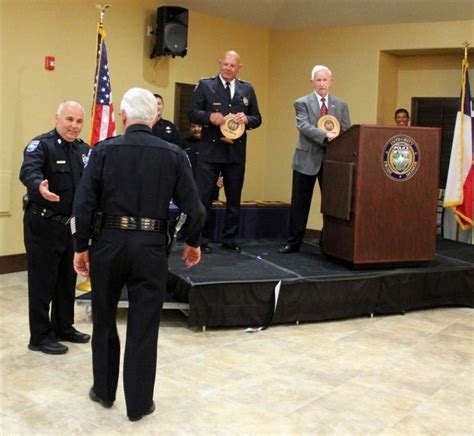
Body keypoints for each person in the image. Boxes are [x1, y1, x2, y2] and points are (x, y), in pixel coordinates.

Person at [72, 87, 205, 422]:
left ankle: (103, 391)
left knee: (104, 318)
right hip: (150, 247)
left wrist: (81, 246)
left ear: (123, 116)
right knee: (144, 325)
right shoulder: (174, 154)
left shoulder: (102, 151)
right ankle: (139, 404)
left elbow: (83, 203)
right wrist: (192, 241)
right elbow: (197, 210)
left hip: (108, 245)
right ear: (155, 117)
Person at [19, 100, 91, 355]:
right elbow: (29, 171)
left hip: (70, 226)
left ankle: (63, 326)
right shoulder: (42, 145)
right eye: (69, 119)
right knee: (42, 281)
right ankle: (39, 336)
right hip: (43, 223)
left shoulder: (84, 150)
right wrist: (39, 186)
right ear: (57, 118)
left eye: (79, 121)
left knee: (66, 279)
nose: (74, 125)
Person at [188, 50, 262, 253]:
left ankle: (229, 239)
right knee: (204, 197)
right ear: (220, 63)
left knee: (234, 198)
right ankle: (200, 240)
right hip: (211, 151)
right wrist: (210, 117)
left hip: (235, 153)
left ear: (239, 68)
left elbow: (257, 118)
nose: (228, 68)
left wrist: (247, 120)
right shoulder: (205, 85)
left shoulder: (247, 89)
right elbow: (192, 112)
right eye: (226, 64)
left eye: (233, 65)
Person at [279, 65, 351, 254]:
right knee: (300, 203)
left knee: (332, 203)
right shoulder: (301, 102)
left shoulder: (341, 105)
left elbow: (346, 130)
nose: (321, 83)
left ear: (331, 81)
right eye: (318, 80)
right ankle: (293, 243)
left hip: (332, 161)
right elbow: (303, 126)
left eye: (325, 79)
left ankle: (329, 242)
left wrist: (340, 137)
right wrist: (326, 135)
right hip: (306, 159)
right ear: (312, 82)